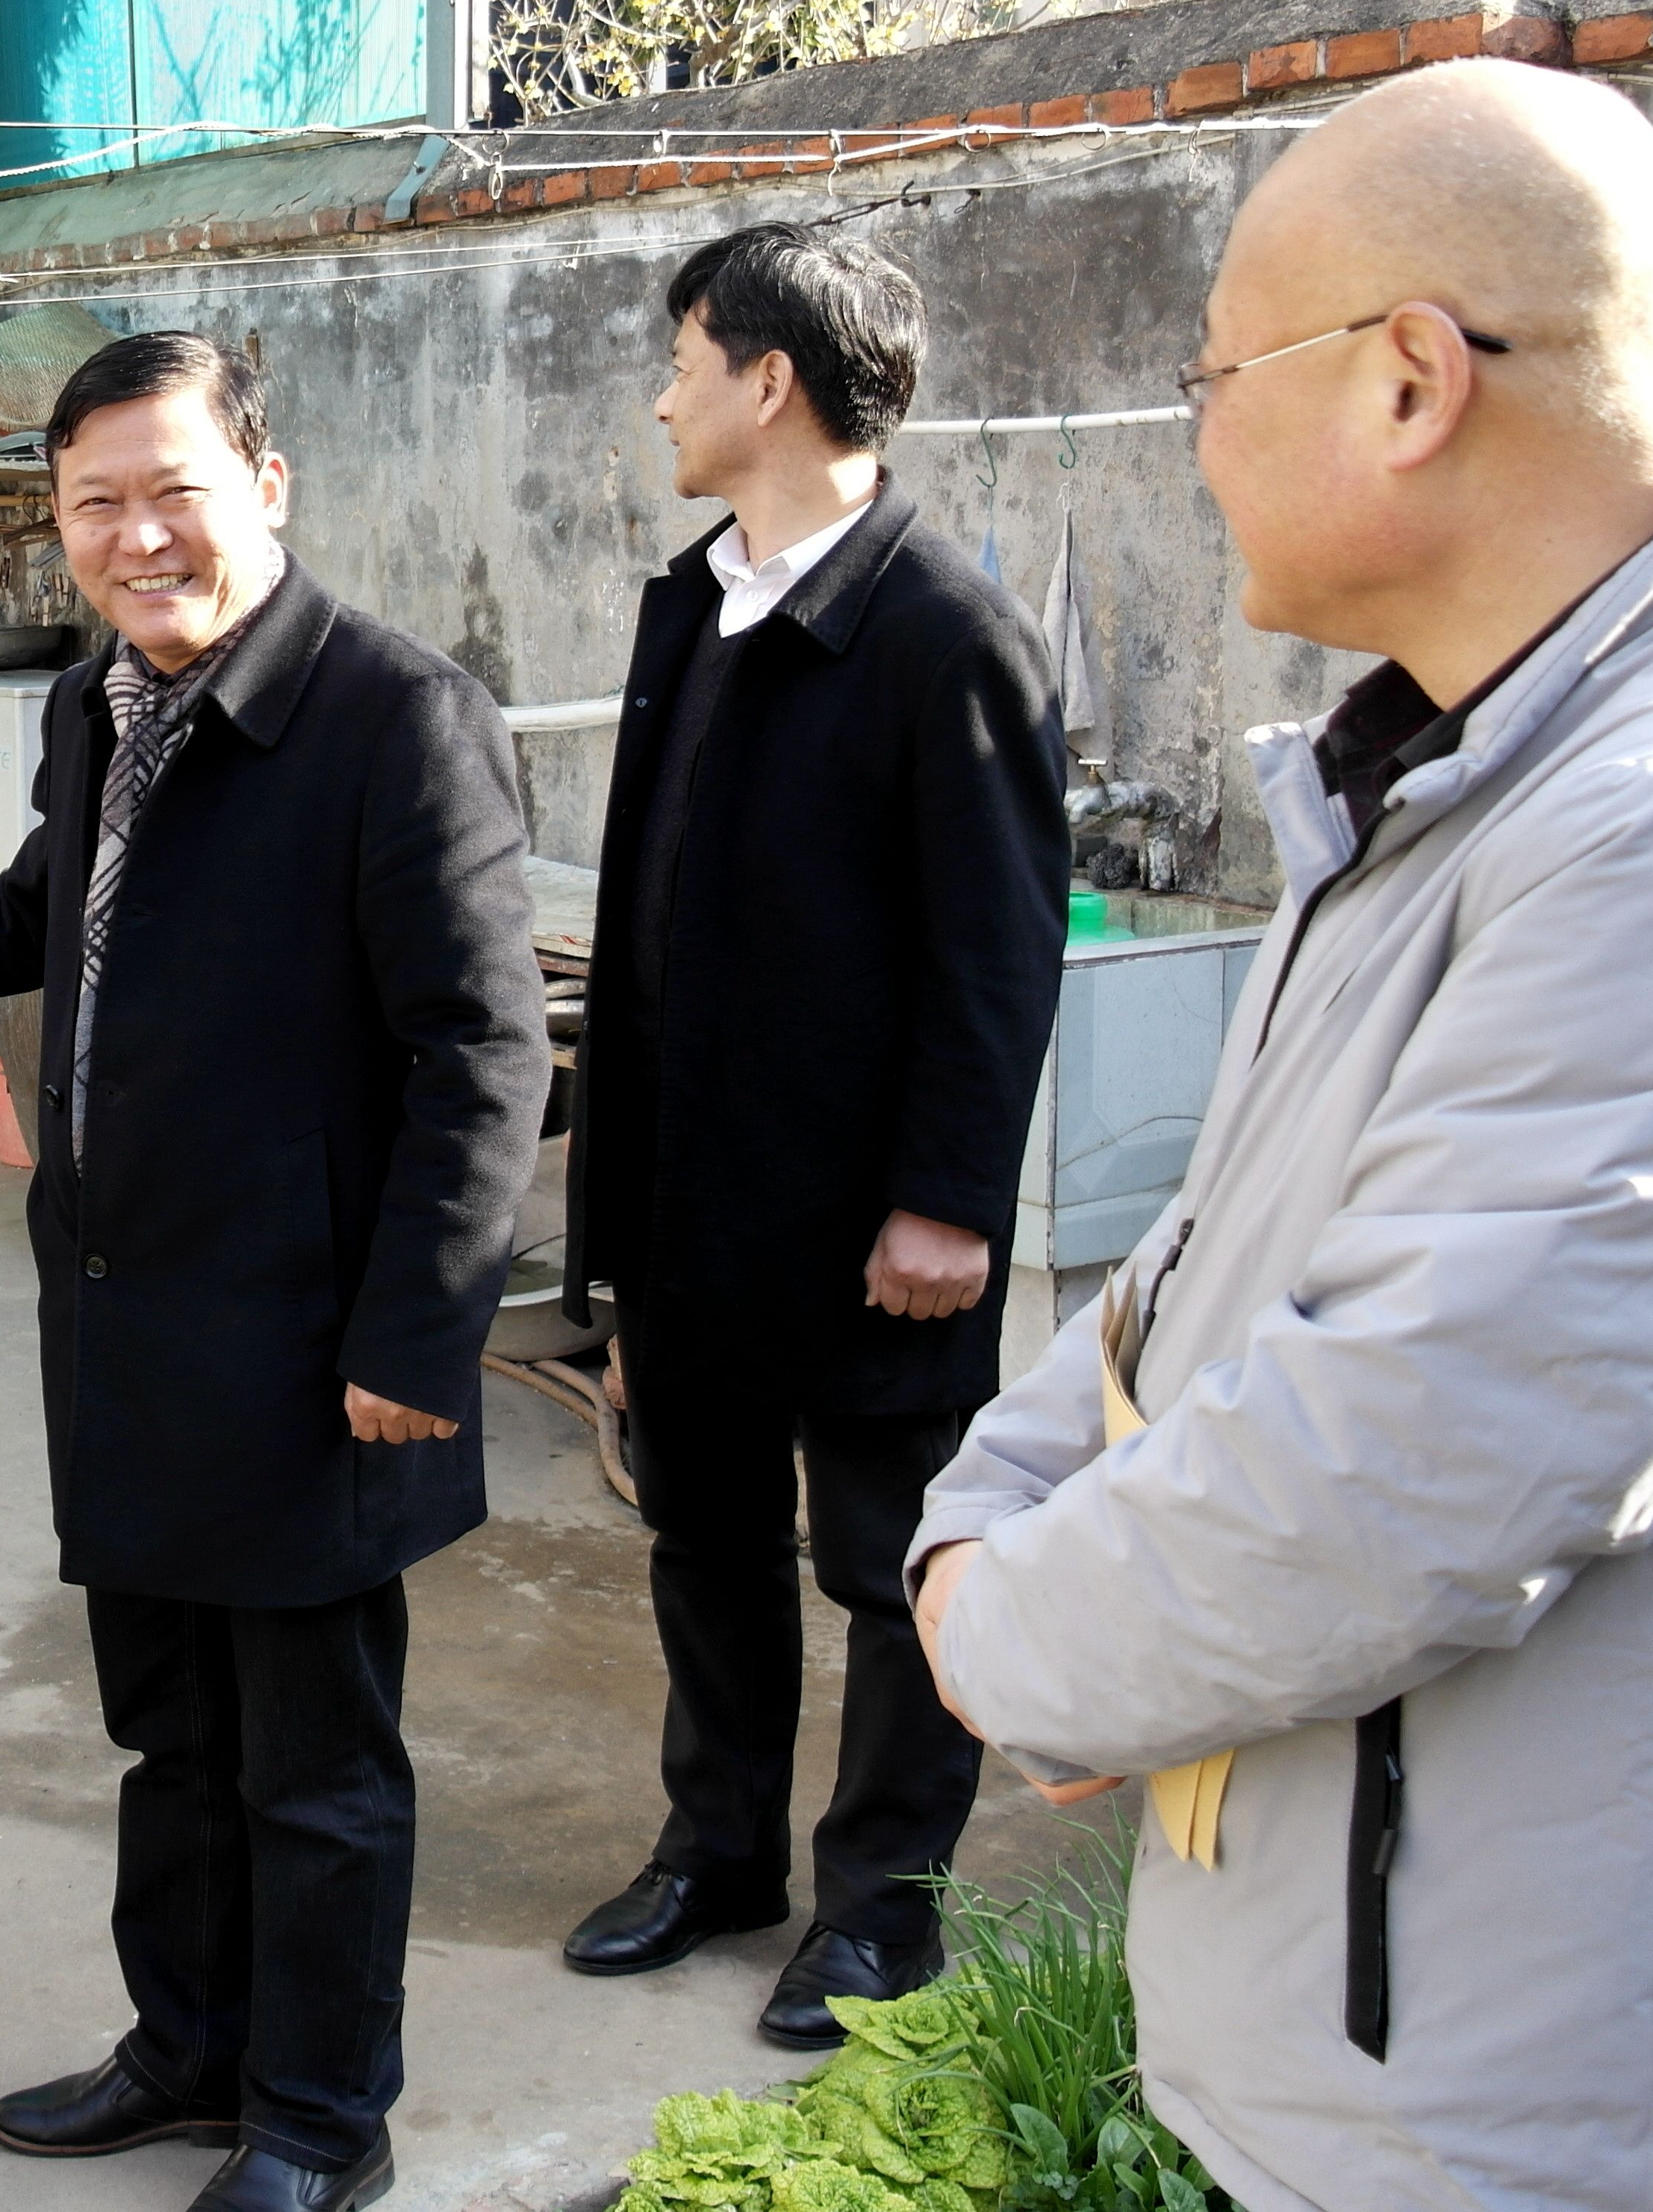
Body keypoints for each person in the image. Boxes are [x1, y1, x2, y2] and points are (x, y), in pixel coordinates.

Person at [909, 60, 1653, 2209]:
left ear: (1409, 383)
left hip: (1550, 2117)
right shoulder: (1467, 764)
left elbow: (1395, 1470)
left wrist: (1006, 1637)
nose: (1198, 438)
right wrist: (984, 1521)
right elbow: (1199, 1282)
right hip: (1385, 2053)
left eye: (1215, 377)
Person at [0, 332, 550, 2212]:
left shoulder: (394, 717)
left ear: (265, 486)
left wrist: (416, 1334)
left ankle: (322, 2120)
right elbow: (36, 915)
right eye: (94, 504)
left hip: (309, 1340)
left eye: (173, 491)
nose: (136, 536)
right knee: (169, 1732)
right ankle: (189, 2053)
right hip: (126, 1311)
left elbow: (482, 1052)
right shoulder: (103, 704)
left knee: (314, 1763)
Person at [554, 225, 1068, 2045]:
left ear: (768, 383)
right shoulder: (693, 604)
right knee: (700, 1536)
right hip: (695, 1201)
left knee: (890, 1564)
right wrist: (610, 1218)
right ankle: (718, 1854)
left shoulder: (944, 633)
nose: (663, 397)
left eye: (684, 361)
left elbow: (996, 950)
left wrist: (950, 1201)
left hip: (867, 1222)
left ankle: (883, 1908)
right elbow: (645, 927)